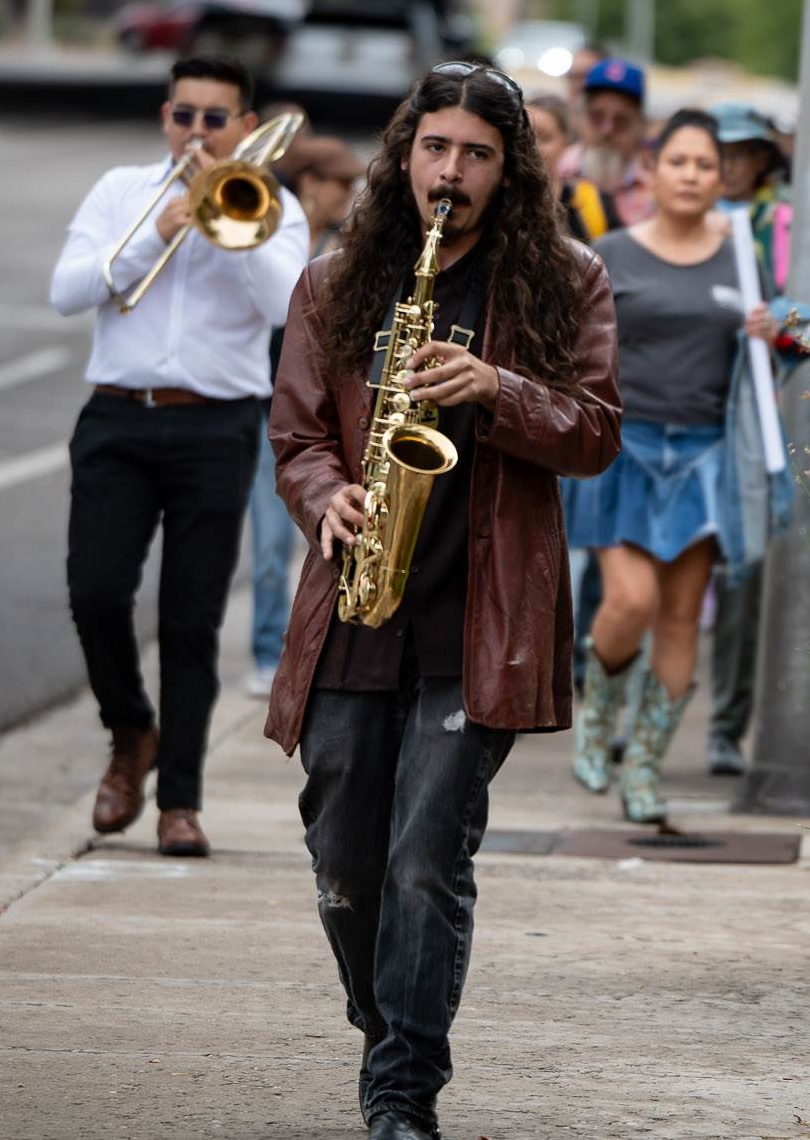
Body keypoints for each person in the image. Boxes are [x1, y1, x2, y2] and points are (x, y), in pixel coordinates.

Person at [266, 62, 620, 1140]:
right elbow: (296, 436)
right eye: (433, 149)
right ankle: (388, 1022)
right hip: (357, 605)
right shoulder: (337, 279)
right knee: (342, 860)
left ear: (508, 170)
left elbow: (597, 432)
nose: (449, 173)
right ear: (403, 154)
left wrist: (496, 388)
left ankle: (402, 1094)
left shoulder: (566, 279)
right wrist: (326, 497)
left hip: (479, 616)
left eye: (474, 154)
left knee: (426, 856)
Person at [48, 54, 310, 858]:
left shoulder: (274, 205)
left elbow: (288, 303)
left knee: (192, 619)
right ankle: (131, 731)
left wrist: (222, 222)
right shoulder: (121, 192)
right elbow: (65, 290)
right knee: (95, 593)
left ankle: (180, 803)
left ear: (246, 128)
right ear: (167, 116)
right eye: (183, 116)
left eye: (214, 119)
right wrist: (154, 234)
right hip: (116, 418)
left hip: (216, 425)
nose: (196, 133)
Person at [565, 109, 802, 822]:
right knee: (628, 602)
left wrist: (776, 328)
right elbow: (577, 351)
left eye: (706, 164)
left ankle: (644, 767)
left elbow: (768, 356)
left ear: (719, 177)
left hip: (706, 454)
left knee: (676, 619)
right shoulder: (611, 251)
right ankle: (597, 718)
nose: (694, 175)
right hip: (625, 448)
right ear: (653, 169)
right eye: (680, 161)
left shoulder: (740, 255)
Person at [245, 136, 365, 697]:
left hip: (317, 419)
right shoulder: (269, 232)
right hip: (261, 408)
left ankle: (300, 647)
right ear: (311, 184)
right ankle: (267, 654)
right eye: (341, 184)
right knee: (268, 545)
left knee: (311, 540)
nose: (350, 194)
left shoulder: (350, 246)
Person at [700, 100, 797, 775]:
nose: (725, 165)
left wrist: (781, 321)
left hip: (749, 420)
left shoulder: (782, 223)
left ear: (764, 160)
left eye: (738, 153)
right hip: (675, 416)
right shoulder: (679, 222)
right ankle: (637, 724)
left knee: (740, 575)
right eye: (715, 151)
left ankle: (725, 727)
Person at [557, 58, 654, 227]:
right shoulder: (555, 174)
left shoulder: (656, 191)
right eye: (597, 117)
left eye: (621, 120)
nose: (607, 129)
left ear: (640, 125)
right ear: (580, 118)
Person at [528, 94, 619, 242]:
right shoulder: (496, 198)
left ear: (565, 144)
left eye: (544, 138)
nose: (533, 146)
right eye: (524, 136)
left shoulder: (591, 201)